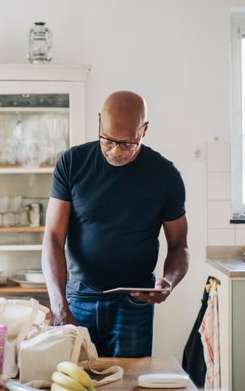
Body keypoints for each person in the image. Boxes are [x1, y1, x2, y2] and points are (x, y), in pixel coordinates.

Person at [41, 90, 189, 357]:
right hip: (78, 300)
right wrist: (58, 306)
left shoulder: (165, 176)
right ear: (99, 122)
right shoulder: (72, 163)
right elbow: (52, 237)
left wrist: (168, 282)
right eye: (108, 141)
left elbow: (180, 245)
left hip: (134, 303)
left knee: (128, 383)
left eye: (127, 144)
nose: (115, 151)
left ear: (144, 130)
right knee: (75, 380)